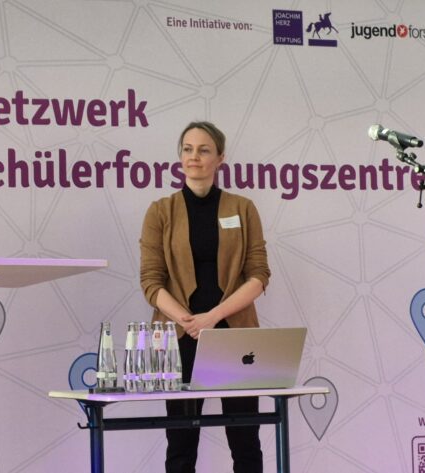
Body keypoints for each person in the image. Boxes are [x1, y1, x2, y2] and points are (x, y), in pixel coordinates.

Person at [139, 121, 271, 473]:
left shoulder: (242, 208)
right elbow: (151, 281)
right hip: (180, 336)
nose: (194, 156)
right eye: (187, 149)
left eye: (203, 150)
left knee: (246, 441)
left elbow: (259, 275)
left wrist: (212, 317)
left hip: (235, 334)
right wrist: (189, 321)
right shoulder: (160, 211)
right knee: (181, 444)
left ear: (220, 158)